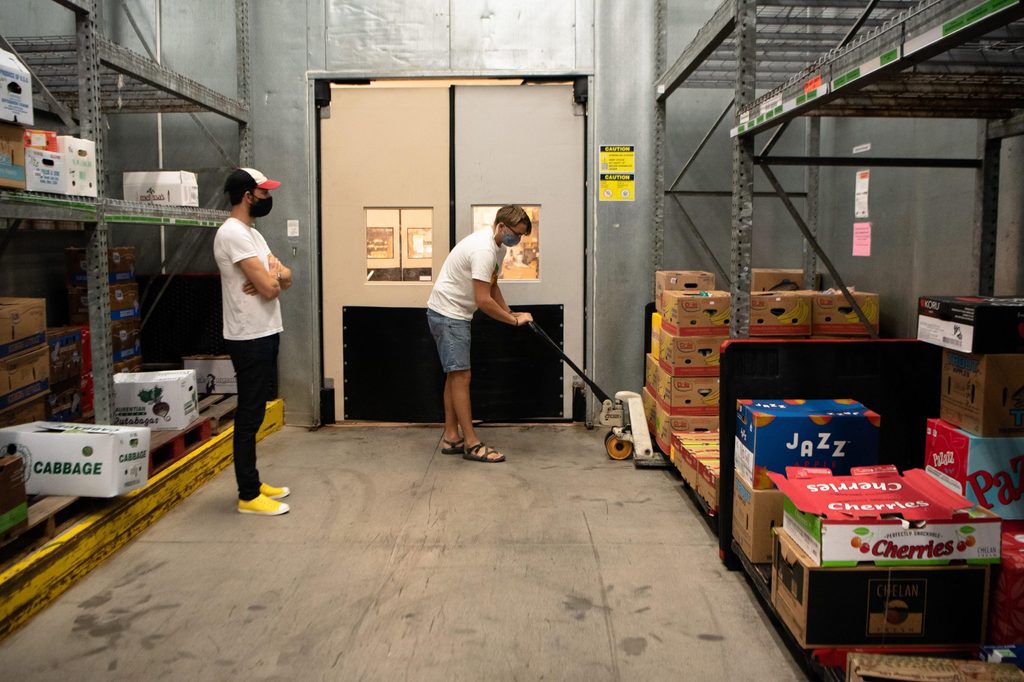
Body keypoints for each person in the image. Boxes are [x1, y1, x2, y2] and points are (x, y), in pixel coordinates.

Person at [426, 205, 534, 463]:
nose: (517, 240)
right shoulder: (484, 250)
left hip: (453, 313)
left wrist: (511, 312)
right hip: (448, 314)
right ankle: (471, 444)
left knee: (455, 375)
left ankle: (452, 436)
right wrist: (511, 321)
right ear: (501, 227)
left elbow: (492, 285)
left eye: (521, 236)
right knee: (462, 376)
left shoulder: (497, 247)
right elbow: (483, 300)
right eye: (515, 234)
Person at [214, 168, 293, 515]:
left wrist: (274, 276)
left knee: (257, 410)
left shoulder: (253, 235)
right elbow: (271, 287)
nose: (267, 198)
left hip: (266, 330)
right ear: (248, 196)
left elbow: (285, 279)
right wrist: (272, 278)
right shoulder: (232, 234)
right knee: (248, 415)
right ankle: (248, 494)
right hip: (248, 337)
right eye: (264, 193)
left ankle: (254, 480)